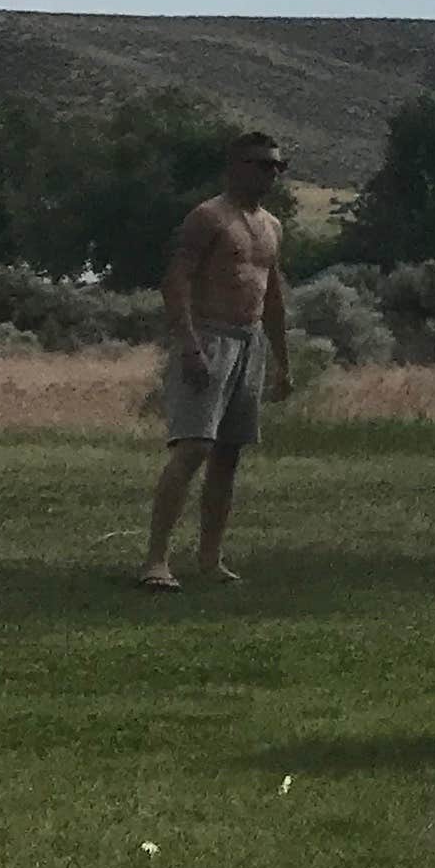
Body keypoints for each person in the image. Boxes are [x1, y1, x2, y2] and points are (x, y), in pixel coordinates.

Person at [140, 128, 292, 593]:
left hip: (250, 341)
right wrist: (189, 344)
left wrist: (282, 361)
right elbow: (176, 280)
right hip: (209, 336)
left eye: (277, 166)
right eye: (262, 164)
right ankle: (156, 560)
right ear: (236, 167)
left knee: (229, 454)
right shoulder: (208, 217)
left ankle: (210, 557)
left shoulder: (272, 225)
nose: (271, 174)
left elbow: (272, 295)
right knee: (194, 447)